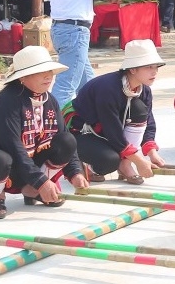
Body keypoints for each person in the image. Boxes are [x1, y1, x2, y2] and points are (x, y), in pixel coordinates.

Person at [0, 46, 87, 219]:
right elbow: (13, 147)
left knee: (67, 140)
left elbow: (62, 133)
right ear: (23, 77)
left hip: (31, 160)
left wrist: (75, 172)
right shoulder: (7, 102)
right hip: (5, 165)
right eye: (41, 72)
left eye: (49, 70)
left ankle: (32, 189)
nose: (48, 76)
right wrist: (41, 181)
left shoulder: (50, 100)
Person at [64, 40, 165, 184]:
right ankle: (84, 163)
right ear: (132, 69)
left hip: (104, 132)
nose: (154, 72)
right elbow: (113, 130)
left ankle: (125, 164)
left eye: (156, 67)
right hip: (81, 132)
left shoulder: (144, 90)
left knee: (139, 108)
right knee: (109, 161)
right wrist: (139, 161)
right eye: (149, 67)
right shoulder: (108, 89)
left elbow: (149, 121)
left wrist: (151, 152)